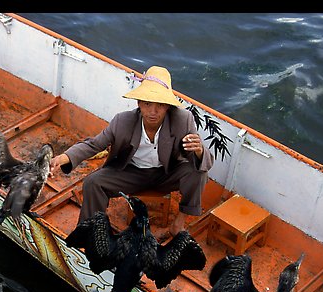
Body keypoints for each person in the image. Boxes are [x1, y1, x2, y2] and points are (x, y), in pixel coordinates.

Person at [49, 65, 214, 237]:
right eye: (147, 104)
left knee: (199, 172)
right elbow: (93, 145)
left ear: (168, 107)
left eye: (160, 105)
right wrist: (62, 158)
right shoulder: (123, 121)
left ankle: (178, 224)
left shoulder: (183, 120)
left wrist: (200, 151)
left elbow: (205, 162)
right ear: (139, 103)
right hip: (131, 173)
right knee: (93, 182)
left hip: (166, 174)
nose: (153, 111)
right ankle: (89, 231)